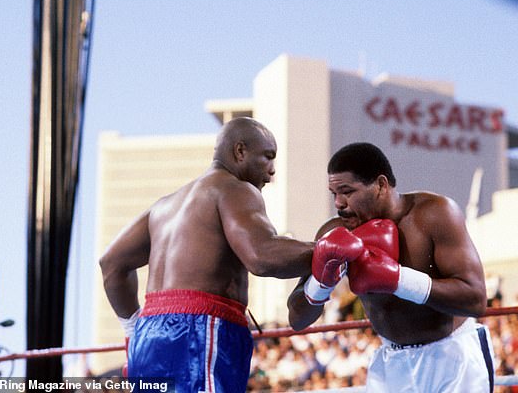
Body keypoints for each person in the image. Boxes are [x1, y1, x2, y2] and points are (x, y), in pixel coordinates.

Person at [99, 117, 360, 392]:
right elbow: (261, 256)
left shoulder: (164, 206)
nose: (271, 172)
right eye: (268, 157)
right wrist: (329, 250)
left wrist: (133, 330)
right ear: (240, 151)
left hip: (149, 339)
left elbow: (112, 264)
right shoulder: (235, 189)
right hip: (199, 332)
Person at [287, 142, 495, 393]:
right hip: (391, 362)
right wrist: (320, 284)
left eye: (347, 191)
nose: (339, 203)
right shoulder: (335, 234)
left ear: (381, 185)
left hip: (452, 357)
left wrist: (398, 280)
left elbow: (475, 300)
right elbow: (297, 319)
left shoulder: (433, 214)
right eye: (334, 193)